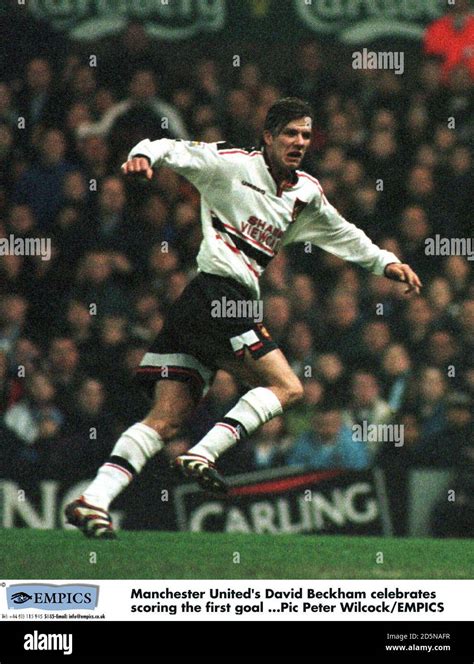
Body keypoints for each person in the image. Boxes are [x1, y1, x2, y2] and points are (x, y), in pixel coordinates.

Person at [65, 97, 422, 538]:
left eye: (306, 135)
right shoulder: (231, 164)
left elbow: (343, 233)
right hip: (219, 293)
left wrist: (386, 263)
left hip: (201, 304)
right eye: (290, 133)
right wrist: (142, 154)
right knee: (288, 386)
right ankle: (203, 454)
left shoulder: (305, 193)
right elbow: (170, 147)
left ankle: (93, 498)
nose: (299, 142)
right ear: (268, 136)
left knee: (167, 418)